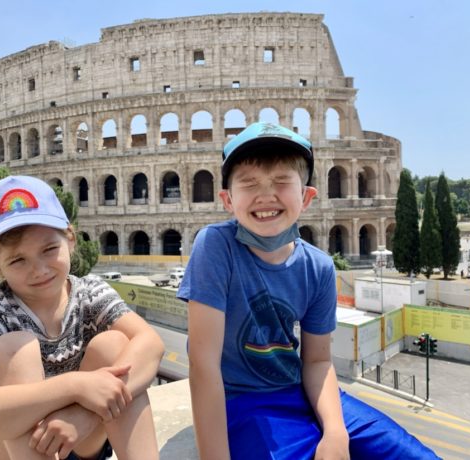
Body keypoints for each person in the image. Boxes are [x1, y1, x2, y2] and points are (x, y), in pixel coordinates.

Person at [178, 122, 440, 460]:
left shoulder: (318, 267)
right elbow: (203, 364)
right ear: (228, 200)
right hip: (242, 399)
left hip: (300, 389)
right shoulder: (215, 246)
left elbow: (317, 361)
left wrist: (334, 431)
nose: (266, 194)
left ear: (306, 197)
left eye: (281, 181)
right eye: (249, 183)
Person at [0, 176, 164, 460]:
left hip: (78, 443)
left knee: (115, 345)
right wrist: (74, 386)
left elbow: (151, 343)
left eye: (49, 249)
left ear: (70, 239)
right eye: (17, 260)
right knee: (14, 348)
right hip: (2, 453)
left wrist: (83, 413)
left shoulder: (90, 292)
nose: (38, 270)